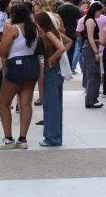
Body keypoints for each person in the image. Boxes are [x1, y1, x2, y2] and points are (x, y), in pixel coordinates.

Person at [0, 3, 39, 150]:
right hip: (33, 64)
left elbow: (3, 51)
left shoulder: (14, 28)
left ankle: (8, 138)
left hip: (17, 64)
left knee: (3, 101)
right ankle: (23, 139)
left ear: (13, 15)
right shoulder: (34, 28)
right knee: (25, 103)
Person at [35, 11, 72, 146]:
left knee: (51, 105)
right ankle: (55, 136)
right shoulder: (54, 31)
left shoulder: (48, 33)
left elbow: (61, 47)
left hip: (51, 70)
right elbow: (68, 43)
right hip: (56, 70)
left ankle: (52, 138)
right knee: (55, 105)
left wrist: (52, 58)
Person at [82, 2, 105, 108]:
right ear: (96, 10)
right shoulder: (90, 21)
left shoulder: (90, 19)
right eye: (100, 11)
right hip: (91, 48)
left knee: (96, 74)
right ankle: (90, 100)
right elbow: (90, 37)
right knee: (93, 74)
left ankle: (93, 98)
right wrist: (96, 52)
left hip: (93, 46)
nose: (100, 14)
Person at [57, 0, 82, 67]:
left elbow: (57, 21)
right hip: (72, 33)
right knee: (71, 51)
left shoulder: (59, 8)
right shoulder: (76, 9)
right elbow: (78, 23)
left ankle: (61, 66)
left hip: (61, 33)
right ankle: (69, 67)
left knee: (61, 49)